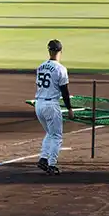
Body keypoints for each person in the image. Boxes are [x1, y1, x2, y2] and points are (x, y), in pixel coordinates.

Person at [35, 40, 74, 175]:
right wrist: (69, 108)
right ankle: (52, 165)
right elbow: (65, 91)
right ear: (60, 52)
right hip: (51, 105)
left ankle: (43, 159)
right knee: (56, 136)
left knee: (50, 133)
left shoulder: (40, 67)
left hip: (38, 104)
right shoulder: (60, 69)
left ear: (49, 51)